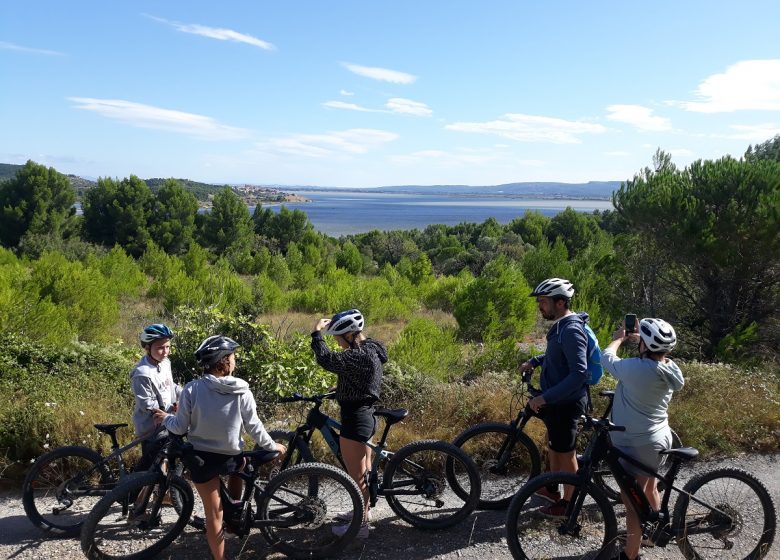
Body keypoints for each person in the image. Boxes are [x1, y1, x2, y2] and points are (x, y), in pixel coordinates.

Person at [153, 335, 285, 560]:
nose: (234, 360)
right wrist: (272, 446)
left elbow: (179, 427)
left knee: (213, 514)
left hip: (202, 459)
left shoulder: (192, 389)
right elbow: (253, 426)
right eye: (232, 356)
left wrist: (165, 418)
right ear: (224, 361)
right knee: (240, 465)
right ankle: (234, 518)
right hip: (231, 457)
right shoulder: (242, 390)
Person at [602, 318, 684, 560]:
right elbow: (659, 359)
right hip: (657, 438)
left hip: (637, 441)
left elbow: (606, 358)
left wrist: (619, 338)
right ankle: (654, 531)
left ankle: (630, 555)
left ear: (646, 346)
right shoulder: (670, 369)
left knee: (631, 501)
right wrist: (644, 342)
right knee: (648, 487)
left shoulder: (636, 368)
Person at [311, 309, 387, 540]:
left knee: (357, 476)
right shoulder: (370, 349)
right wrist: (342, 388)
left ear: (351, 335)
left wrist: (316, 333)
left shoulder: (358, 356)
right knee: (363, 474)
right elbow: (361, 378)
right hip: (367, 415)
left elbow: (326, 359)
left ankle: (360, 527)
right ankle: (364, 512)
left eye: (338, 338)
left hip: (355, 420)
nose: (337, 343)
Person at [519, 278, 591, 517]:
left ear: (560, 303)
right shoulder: (560, 326)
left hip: (566, 403)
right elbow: (556, 355)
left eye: (543, 301)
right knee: (554, 444)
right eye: (539, 301)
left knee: (566, 453)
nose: (540, 306)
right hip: (557, 401)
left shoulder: (570, 330)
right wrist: (535, 361)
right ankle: (552, 488)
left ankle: (568, 506)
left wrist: (545, 397)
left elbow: (579, 373)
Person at [131, 323, 181, 472]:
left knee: (167, 468)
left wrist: (187, 395)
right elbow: (146, 404)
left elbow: (171, 386)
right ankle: (131, 495)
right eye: (160, 347)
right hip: (150, 429)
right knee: (149, 472)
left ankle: (165, 494)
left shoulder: (165, 363)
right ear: (147, 348)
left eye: (168, 347)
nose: (165, 352)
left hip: (168, 423)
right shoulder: (142, 373)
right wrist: (171, 408)